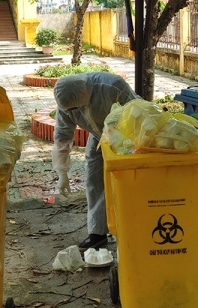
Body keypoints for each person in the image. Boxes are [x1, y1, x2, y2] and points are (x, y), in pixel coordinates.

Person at [52, 71, 138, 252]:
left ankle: (135, 228)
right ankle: (97, 233)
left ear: (85, 94)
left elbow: (137, 112)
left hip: (128, 135)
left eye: (74, 109)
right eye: (68, 110)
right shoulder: (67, 102)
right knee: (93, 178)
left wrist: (130, 143)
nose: (71, 113)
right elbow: (62, 136)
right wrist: (62, 173)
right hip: (99, 136)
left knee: (130, 181)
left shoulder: (111, 86)